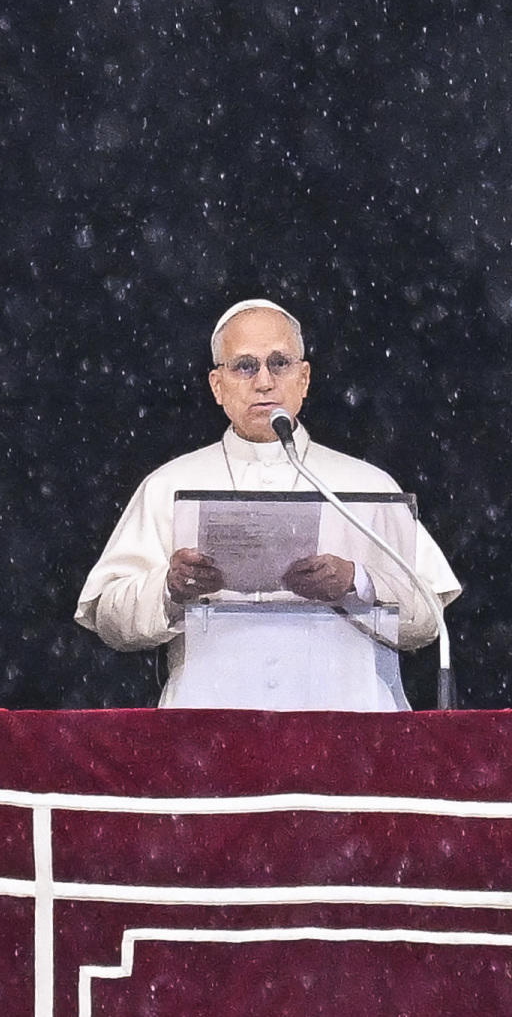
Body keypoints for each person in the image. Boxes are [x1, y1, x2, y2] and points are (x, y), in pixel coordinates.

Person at [76, 299, 462, 710]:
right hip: (208, 732)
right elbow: (111, 620)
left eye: (279, 363)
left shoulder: (367, 485)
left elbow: (427, 620)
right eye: (244, 366)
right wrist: (171, 588)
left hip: (348, 731)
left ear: (304, 378)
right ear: (217, 385)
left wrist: (356, 582)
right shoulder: (169, 484)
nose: (263, 381)